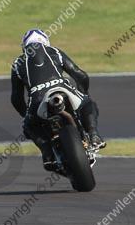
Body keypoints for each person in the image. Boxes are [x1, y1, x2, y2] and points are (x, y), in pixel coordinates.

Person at [10, 30, 105, 170]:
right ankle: (94, 135)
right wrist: (84, 93)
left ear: (24, 47)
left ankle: (47, 154)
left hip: (38, 98)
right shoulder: (54, 51)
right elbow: (80, 74)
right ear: (45, 42)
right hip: (63, 89)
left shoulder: (17, 63)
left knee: (29, 126)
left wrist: (27, 116)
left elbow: (16, 98)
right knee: (88, 104)